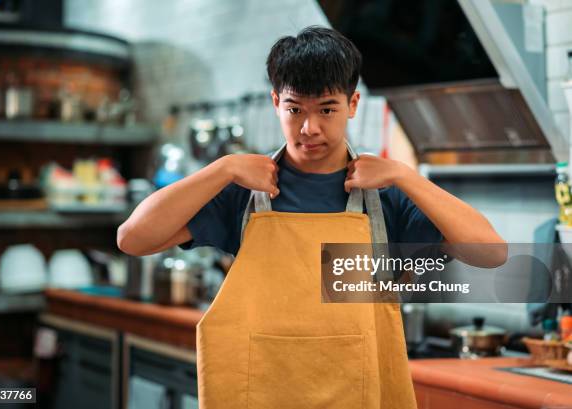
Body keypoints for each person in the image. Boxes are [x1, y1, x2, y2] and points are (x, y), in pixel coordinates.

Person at [117, 26, 506, 409]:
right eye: (294, 109)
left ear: (352, 104)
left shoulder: (383, 196)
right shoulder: (246, 194)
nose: (309, 128)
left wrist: (405, 176)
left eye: (326, 109)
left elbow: (492, 253)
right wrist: (221, 169)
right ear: (275, 102)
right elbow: (132, 239)